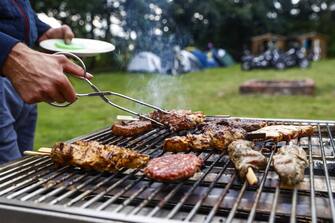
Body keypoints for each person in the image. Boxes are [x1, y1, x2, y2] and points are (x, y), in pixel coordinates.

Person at [0, 1, 91, 164]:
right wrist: (8, 54)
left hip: (27, 83)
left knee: (24, 161)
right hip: (11, 71)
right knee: (8, 167)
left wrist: (43, 31)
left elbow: (17, 8)